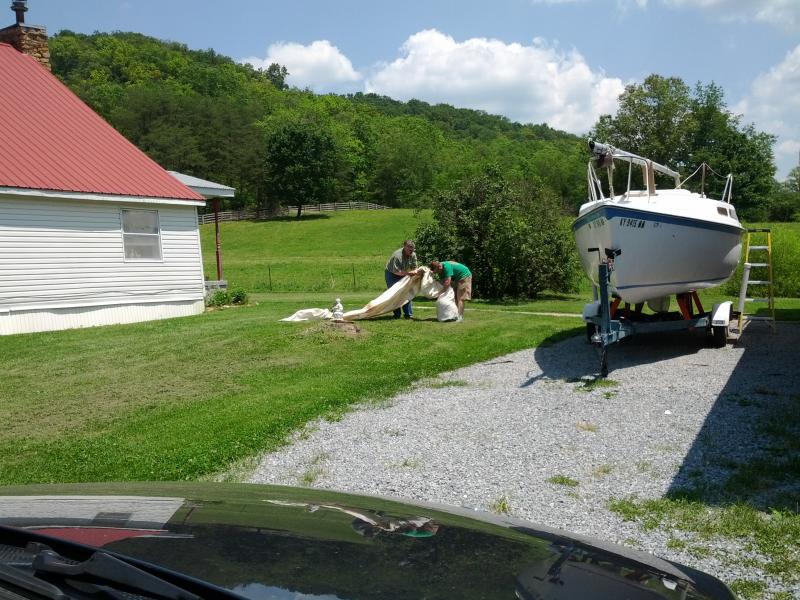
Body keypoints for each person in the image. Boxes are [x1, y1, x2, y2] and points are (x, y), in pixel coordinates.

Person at [385, 240, 419, 319]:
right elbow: (396, 271)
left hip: (403, 272)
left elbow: (415, 267)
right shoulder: (397, 256)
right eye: (410, 250)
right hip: (392, 274)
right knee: (395, 293)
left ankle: (408, 314)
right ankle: (397, 314)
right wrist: (408, 274)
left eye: (413, 250)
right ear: (405, 248)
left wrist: (415, 271)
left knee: (406, 292)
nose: (412, 252)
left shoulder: (413, 254)